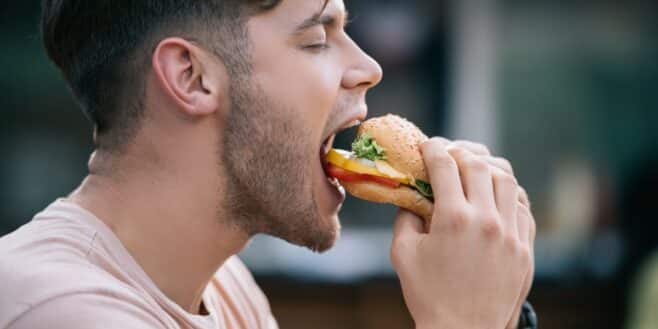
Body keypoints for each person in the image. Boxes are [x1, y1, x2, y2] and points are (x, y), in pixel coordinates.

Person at [0, 1, 536, 328]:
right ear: (191, 76)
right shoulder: (57, 309)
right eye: (317, 37)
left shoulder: (227, 290)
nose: (368, 68)